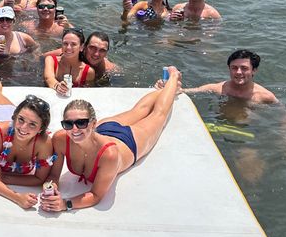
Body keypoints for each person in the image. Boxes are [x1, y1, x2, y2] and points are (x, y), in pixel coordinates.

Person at [40, 66, 181, 212]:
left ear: (93, 123)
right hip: (104, 129)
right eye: (68, 124)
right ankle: (165, 90)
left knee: (158, 115)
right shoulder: (60, 139)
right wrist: (50, 187)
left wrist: (65, 204)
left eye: (81, 123)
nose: (74, 129)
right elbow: (54, 175)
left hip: (128, 141)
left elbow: (96, 195)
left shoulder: (110, 156)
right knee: (139, 110)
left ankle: (173, 78)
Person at [0, 66, 55, 209]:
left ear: (41, 129)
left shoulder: (44, 143)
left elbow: (39, 178)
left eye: (32, 125)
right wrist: (17, 197)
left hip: (10, 114)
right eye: (21, 120)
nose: (24, 128)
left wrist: (4, 177)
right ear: (16, 117)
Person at [159, 49, 278, 104]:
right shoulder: (218, 88)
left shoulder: (265, 96)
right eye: (234, 68)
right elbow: (185, 91)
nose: (238, 72)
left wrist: (285, 136)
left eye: (244, 68)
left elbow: (283, 115)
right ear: (229, 69)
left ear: (254, 71)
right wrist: (168, 87)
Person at [43, 28, 95, 96]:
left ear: (81, 47)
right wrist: (57, 86)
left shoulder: (88, 71)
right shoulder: (51, 60)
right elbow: (48, 78)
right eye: (65, 43)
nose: (68, 48)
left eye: (73, 44)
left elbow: (88, 93)